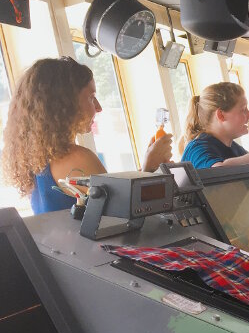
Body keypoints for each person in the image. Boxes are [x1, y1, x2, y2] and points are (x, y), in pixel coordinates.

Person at [1, 57, 172, 215]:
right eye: (91, 98)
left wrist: (146, 167)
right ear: (64, 104)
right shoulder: (76, 158)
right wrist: (150, 169)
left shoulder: (39, 159)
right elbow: (126, 212)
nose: (98, 107)